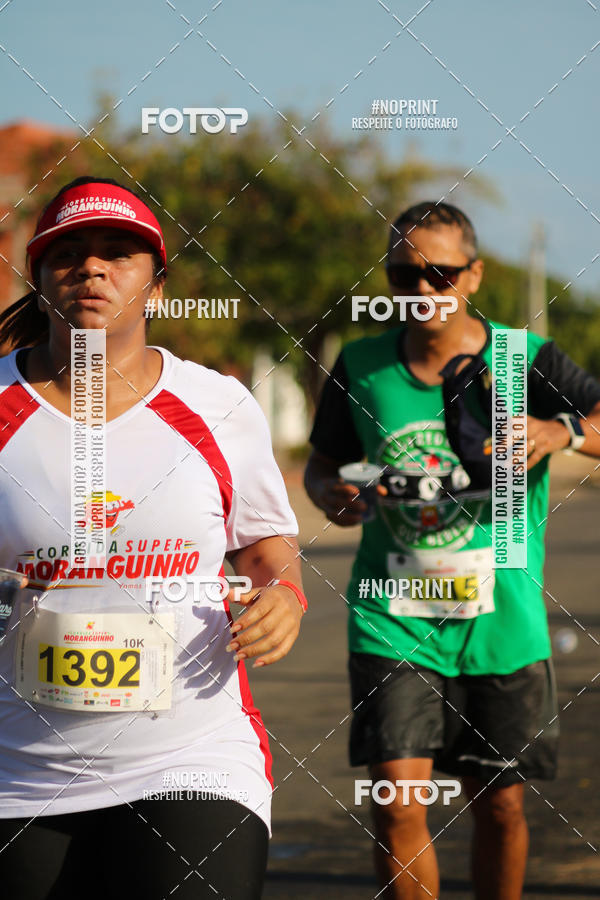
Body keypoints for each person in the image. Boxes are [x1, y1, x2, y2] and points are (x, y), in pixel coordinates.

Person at [0, 176, 307, 900]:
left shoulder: (218, 406)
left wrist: (285, 595)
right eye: (68, 254)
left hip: (191, 759)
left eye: (118, 253)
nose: (92, 268)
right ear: (40, 280)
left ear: (159, 286)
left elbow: (265, 546)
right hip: (19, 769)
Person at [304, 201, 600, 900]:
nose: (424, 288)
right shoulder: (364, 365)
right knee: (397, 802)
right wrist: (329, 496)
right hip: (392, 618)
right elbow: (324, 465)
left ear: (473, 275)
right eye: (407, 274)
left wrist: (562, 434)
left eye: (442, 273)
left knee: (498, 804)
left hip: (502, 622)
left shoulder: (522, 359)